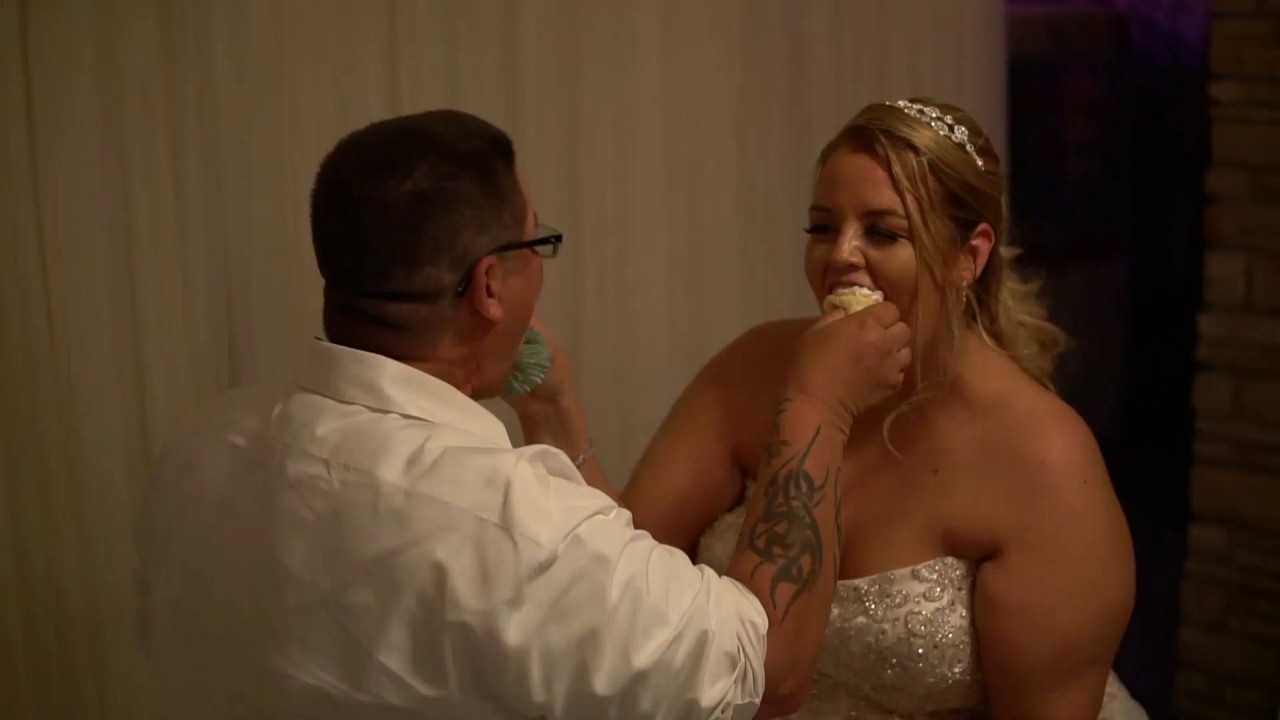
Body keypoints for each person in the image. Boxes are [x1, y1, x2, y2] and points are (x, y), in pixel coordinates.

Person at [133, 109, 914, 720]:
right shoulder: (508, 524)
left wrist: (554, 421)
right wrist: (819, 406)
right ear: (488, 287)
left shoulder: (201, 450)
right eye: (536, 244)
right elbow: (765, 669)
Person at [620, 99, 1151, 719]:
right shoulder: (754, 368)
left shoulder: (1044, 459)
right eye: (823, 228)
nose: (840, 255)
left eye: (883, 232)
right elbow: (626, 578)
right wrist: (562, 416)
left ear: (970, 257)